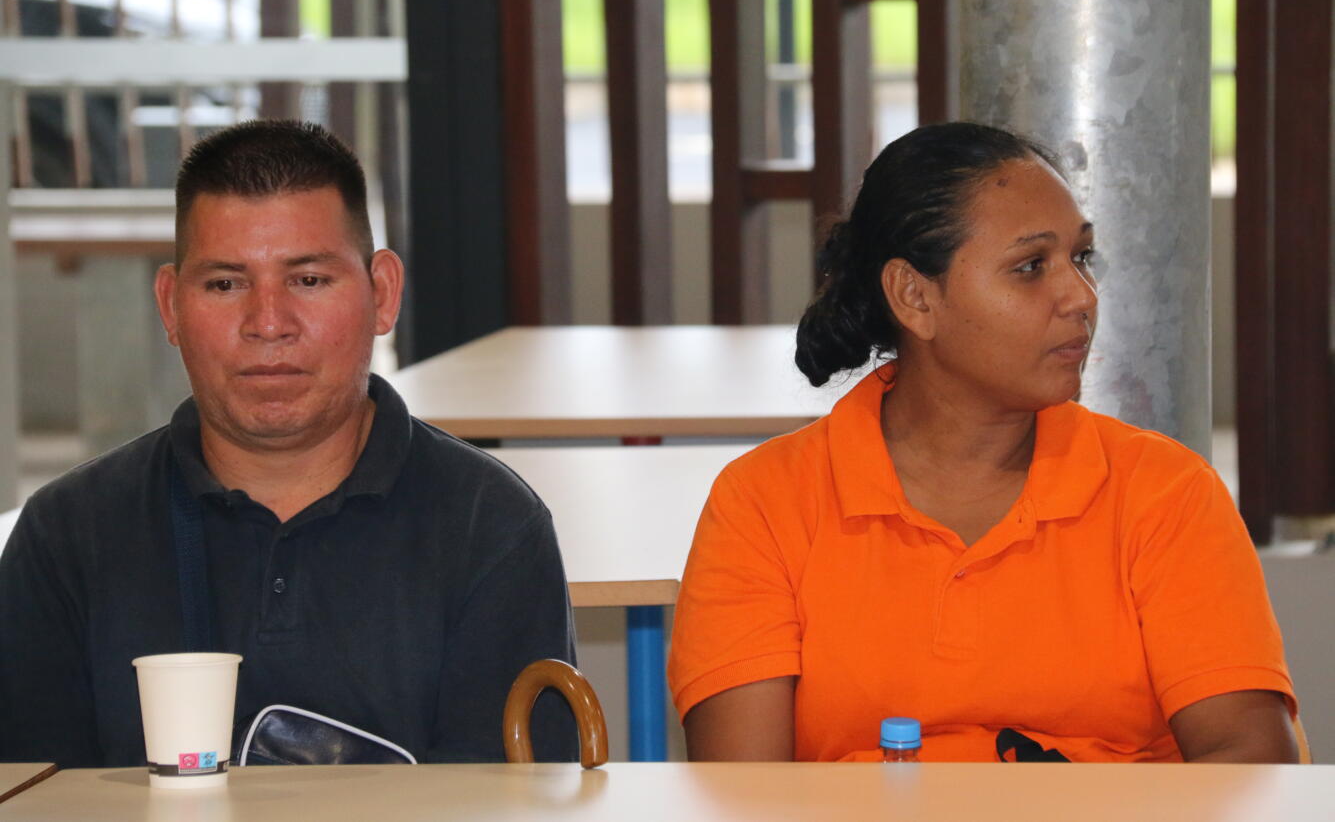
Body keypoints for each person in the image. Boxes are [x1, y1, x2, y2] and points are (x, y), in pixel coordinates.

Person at [667, 122, 1298, 763]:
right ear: (915, 297)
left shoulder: (1166, 493)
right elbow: (744, 791)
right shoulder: (766, 503)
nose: (1080, 297)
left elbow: (1251, 763)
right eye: (1030, 267)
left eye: (1081, 257)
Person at [0, 120, 577, 768]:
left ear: (382, 294)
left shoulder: (489, 525)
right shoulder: (67, 537)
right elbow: (30, 797)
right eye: (225, 284)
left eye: (308, 280)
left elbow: (514, 803)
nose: (268, 324)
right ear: (170, 306)